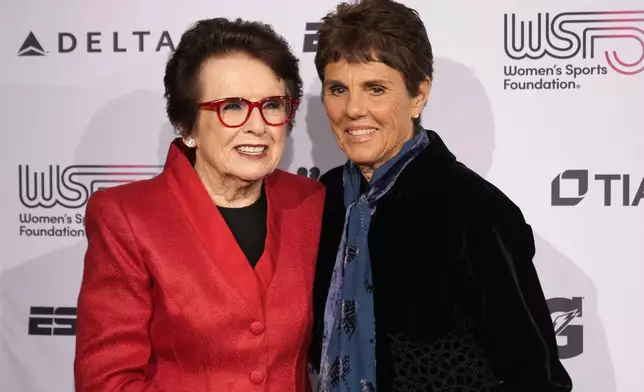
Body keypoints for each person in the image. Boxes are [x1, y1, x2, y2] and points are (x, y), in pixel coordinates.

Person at [309, 1, 574, 391]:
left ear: (419, 95)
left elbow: (536, 375)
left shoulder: (470, 206)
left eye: (375, 89)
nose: (353, 109)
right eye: (338, 89)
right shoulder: (321, 201)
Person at [74, 17, 325, 392]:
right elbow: (107, 382)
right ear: (187, 125)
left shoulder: (312, 203)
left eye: (271, 105)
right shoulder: (126, 217)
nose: (258, 125)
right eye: (233, 106)